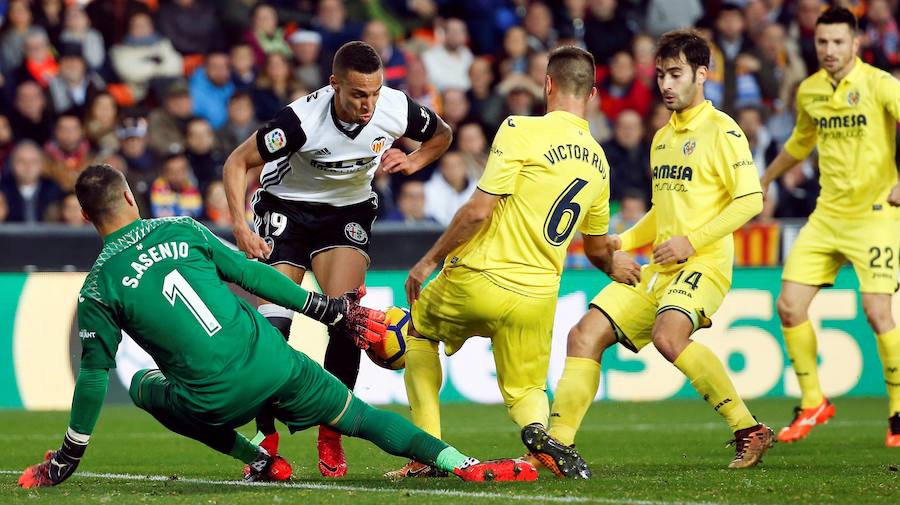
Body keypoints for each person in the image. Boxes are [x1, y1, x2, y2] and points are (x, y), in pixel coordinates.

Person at [16, 164, 535, 489]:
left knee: (144, 384)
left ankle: (260, 460)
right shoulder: (180, 228)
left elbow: (93, 377)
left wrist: (69, 455)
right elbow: (256, 276)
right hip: (274, 363)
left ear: (86, 217)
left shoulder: (98, 287)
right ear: (130, 198)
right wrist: (329, 310)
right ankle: (460, 462)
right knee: (362, 417)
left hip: (213, 401)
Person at [537, 29, 772, 473]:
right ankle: (556, 448)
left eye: (677, 74)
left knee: (668, 337)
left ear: (702, 74)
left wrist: (692, 241)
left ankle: (748, 428)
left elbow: (751, 200)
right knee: (583, 335)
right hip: (661, 267)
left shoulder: (723, 130)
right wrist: (622, 241)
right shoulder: (662, 137)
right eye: (662, 74)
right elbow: (661, 210)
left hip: (704, 264)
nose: (666, 84)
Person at [395, 46, 633, 479]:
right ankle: (541, 436)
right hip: (538, 295)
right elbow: (598, 249)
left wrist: (428, 261)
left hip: (480, 276)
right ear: (593, 93)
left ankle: (426, 454)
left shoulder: (519, 129)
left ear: (547, 84)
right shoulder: (600, 161)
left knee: (417, 332)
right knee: (525, 389)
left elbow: (478, 211)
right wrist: (614, 267)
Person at [223, 41, 452, 478]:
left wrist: (415, 158)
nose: (368, 105)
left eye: (375, 93)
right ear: (334, 86)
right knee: (273, 328)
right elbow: (237, 163)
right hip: (284, 208)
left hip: (346, 211)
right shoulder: (300, 121)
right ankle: (266, 438)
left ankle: (332, 430)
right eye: (358, 95)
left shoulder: (396, 108)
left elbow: (443, 134)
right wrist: (240, 225)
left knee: (348, 318)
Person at [760, 8, 900, 447]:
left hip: (875, 215)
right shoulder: (810, 91)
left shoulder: (879, 84)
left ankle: (897, 413)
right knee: (788, 306)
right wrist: (763, 179)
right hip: (827, 217)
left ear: (856, 44)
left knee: (878, 313)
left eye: (839, 42)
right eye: (823, 42)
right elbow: (801, 143)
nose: (830, 50)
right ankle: (813, 401)